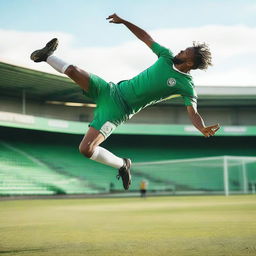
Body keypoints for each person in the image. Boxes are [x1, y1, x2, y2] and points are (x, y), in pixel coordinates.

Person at [30, 13, 220, 191]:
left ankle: (122, 164)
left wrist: (201, 127)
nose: (181, 50)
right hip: (111, 90)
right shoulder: (166, 56)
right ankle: (46, 55)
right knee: (72, 70)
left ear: (190, 64)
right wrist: (124, 21)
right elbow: (145, 37)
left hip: (118, 110)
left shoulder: (186, 85)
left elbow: (192, 111)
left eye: (186, 52)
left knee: (85, 149)